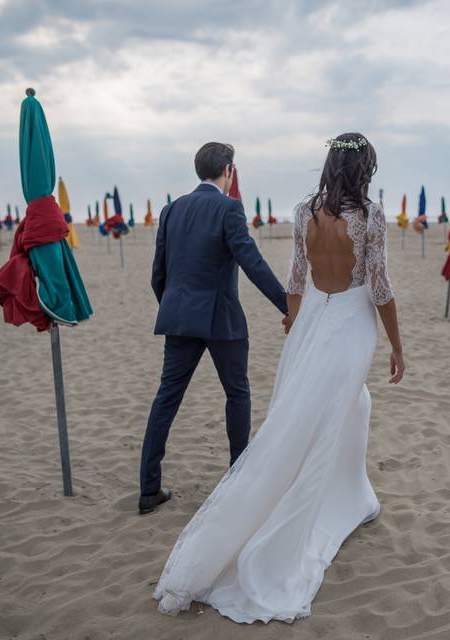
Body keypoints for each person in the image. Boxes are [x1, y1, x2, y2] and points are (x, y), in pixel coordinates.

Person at [153, 132, 405, 623]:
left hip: (313, 319)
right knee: (327, 415)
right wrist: (397, 343)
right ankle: (324, 509)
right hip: (351, 322)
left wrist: (294, 324)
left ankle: (354, 493)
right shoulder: (370, 215)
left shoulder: (302, 211)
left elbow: (295, 280)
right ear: (364, 171)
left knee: (345, 407)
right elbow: (380, 286)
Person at [138, 142, 289, 515]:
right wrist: (289, 306)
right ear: (228, 170)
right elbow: (251, 262)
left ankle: (148, 490)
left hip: (179, 318)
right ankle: (238, 482)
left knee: (166, 399)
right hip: (221, 319)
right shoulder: (228, 207)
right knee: (237, 395)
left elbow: (159, 273)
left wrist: (174, 308)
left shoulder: (171, 210)